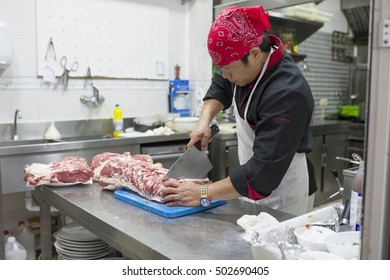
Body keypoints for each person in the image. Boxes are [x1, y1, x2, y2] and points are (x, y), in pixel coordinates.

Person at [161, 5, 317, 216]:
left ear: (253, 54)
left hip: (282, 190)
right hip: (249, 180)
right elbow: (221, 85)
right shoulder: (242, 63)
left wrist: (203, 192)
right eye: (220, 67)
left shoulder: (287, 94)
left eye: (229, 69)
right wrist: (204, 121)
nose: (224, 75)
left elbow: (263, 174)